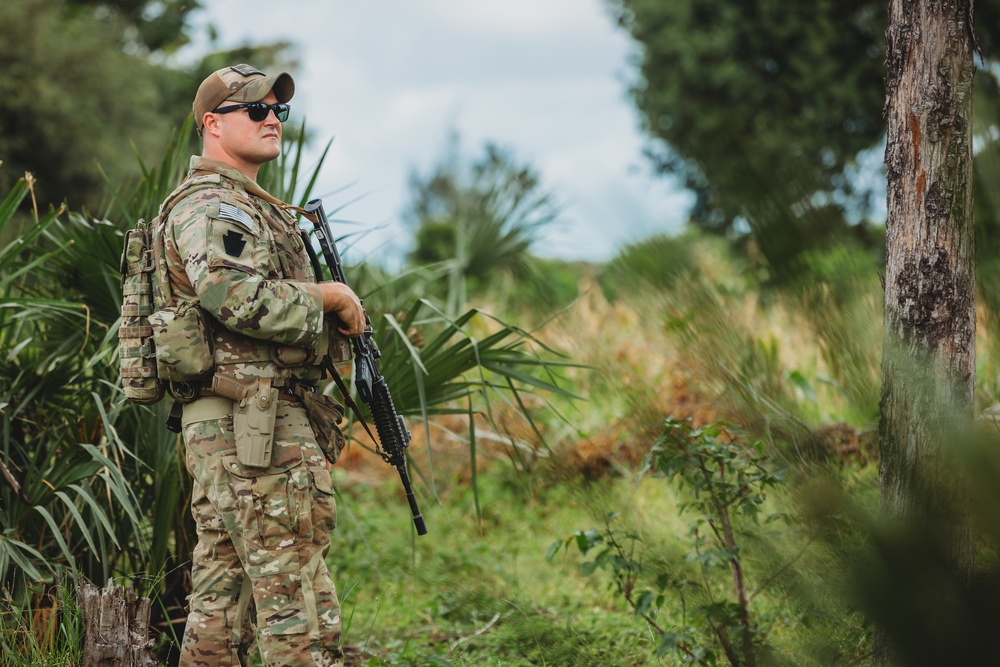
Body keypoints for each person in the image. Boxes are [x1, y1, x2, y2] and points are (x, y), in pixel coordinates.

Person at [152, 63, 365, 667]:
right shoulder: (216, 206)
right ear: (212, 124)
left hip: (238, 424)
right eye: (256, 110)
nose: (272, 119)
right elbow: (234, 296)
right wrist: (328, 297)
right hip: (254, 427)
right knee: (296, 602)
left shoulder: (242, 203)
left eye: (278, 111)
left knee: (221, 602)